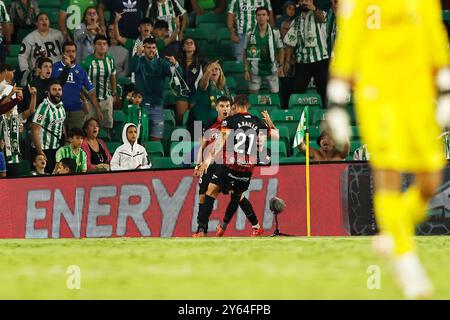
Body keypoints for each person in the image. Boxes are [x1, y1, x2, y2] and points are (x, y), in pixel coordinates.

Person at [327, 0, 450, 299]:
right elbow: (348, 48)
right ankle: (407, 263)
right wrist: (337, 104)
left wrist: (445, 90)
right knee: (389, 176)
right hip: (377, 97)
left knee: (431, 180)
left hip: (418, 96)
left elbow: (434, 38)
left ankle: (395, 227)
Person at [194, 94, 270, 237]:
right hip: (246, 169)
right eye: (222, 106)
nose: (227, 108)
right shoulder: (257, 121)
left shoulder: (229, 121)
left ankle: (201, 231)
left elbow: (220, 142)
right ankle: (254, 226)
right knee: (236, 196)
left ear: (234, 106)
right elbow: (263, 143)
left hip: (228, 165)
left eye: (229, 106)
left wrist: (206, 160)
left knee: (211, 192)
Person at [130, 36, 181, 141]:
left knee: (156, 138)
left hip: (157, 106)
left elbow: (179, 75)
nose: (151, 50)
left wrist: (175, 64)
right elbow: (132, 68)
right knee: (137, 138)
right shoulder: (139, 61)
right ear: (143, 48)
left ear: (156, 49)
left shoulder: (162, 63)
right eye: (148, 47)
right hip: (141, 106)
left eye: (153, 47)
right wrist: (137, 55)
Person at [283, 0, 329, 107]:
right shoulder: (296, 21)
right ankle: (297, 116)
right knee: (297, 92)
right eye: (303, 0)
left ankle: (325, 116)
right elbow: (290, 43)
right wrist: (287, 61)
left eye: (307, 0)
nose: (305, 2)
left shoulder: (320, 14)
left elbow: (322, 18)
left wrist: (313, 8)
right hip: (303, 63)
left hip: (320, 60)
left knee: (324, 92)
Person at [52, 41, 104, 131]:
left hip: (77, 111)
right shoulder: (54, 68)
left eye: (73, 51)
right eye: (68, 51)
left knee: (76, 139)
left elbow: (91, 92)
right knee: (59, 140)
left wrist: (98, 109)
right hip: (57, 110)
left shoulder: (81, 70)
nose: (71, 54)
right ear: (63, 53)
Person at [243, 6, 285, 94]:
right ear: (255, 17)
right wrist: (246, 70)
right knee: (253, 96)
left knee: (275, 95)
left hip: (272, 69)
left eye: (263, 15)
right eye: (259, 15)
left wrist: (281, 65)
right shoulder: (250, 33)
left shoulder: (275, 32)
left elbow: (281, 49)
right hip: (255, 69)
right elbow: (245, 52)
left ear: (268, 17)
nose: (261, 17)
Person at [82, 35, 117, 138]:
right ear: (94, 46)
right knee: (89, 127)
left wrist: (114, 93)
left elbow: (113, 76)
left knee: (107, 127)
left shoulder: (110, 60)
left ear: (107, 46)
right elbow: (83, 85)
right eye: (99, 44)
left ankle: (106, 147)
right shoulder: (87, 62)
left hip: (106, 98)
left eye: (104, 44)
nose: (102, 46)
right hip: (90, 100)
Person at [18, 13, 65, 86]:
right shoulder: (29, 38)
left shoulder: (59, 35)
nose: (44, 21)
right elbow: (22, 57)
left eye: (46, 19)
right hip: (38, 74)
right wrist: (25, 72)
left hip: (57, 72)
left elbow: (66, 51)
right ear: (36, 23)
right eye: (41, 19)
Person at [30, 80, 66, 174]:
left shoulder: (61, 106)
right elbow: (34, 131)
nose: (58, 92)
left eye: (59, 89)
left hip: (56, 148)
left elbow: (61, 123)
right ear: (48, 93)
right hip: (44, 149)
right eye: (54, 90)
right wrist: (40, 152)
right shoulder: (43, 108)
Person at [188, 60, 230, 137]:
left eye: (216, 69)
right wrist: (208, 71)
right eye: (211, 69)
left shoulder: (224, 88)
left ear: (220, 72)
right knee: (198, 147)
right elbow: (204, 83)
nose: (213, 71)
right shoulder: (203, 83)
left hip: (216, 124)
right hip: (199, 122)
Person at [0, 84, 35, 177]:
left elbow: (31, 110)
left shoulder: (17, 117)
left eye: (11, 102)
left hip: (14, 158)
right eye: (7, 102)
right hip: (2, 155)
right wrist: (11, 93)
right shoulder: (0, 117)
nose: (9, 105)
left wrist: (33, 96)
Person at [175, 37, 207, 125]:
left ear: (195, 47)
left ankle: (195, 137)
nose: (189, 44)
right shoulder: (177, 61)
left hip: (196, 94)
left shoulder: (202, 62)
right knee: (181, 118)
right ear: (183, 47)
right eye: (187, 43)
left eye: (191, 43)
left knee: (195, 118)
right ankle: (180, 134)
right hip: (182, 93)